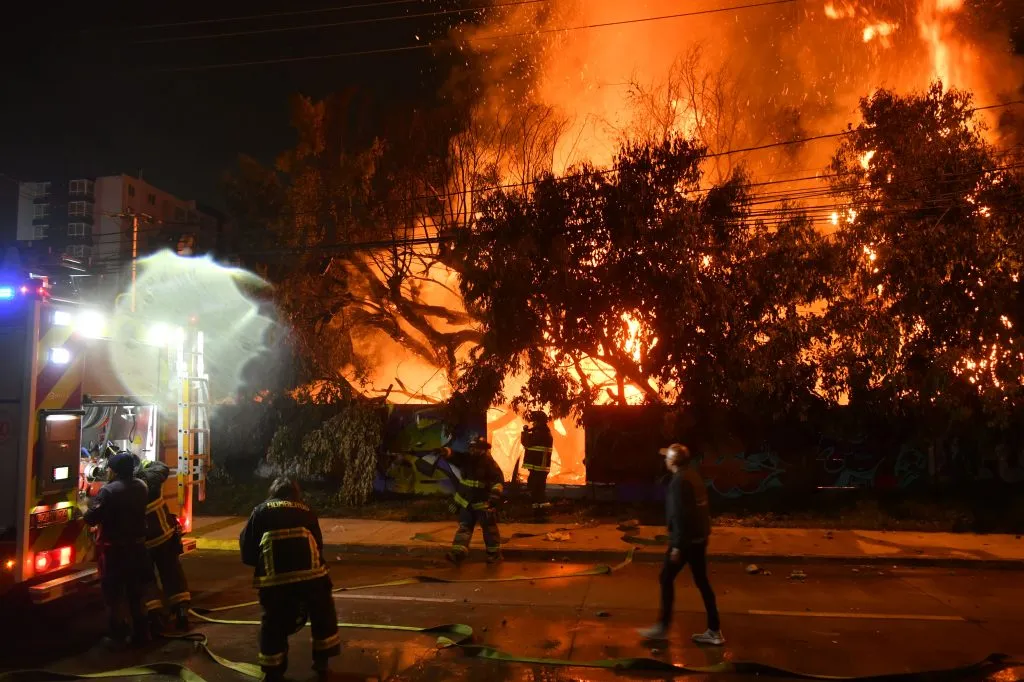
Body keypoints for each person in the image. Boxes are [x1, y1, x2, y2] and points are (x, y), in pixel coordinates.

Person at [239, 477, 341, 682]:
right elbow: (318, 545)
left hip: (275, 581)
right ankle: (322, 663)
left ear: (273, 493)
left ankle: (273, 671)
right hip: (312, 577)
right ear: (295, 494)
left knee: (273, 622)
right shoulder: (307, 511)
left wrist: (260, 565)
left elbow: (248, 549)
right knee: (323, 615)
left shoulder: (260, 511)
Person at [638, 443, 723, 645]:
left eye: (668, 457)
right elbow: (699, 510)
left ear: (674, 461)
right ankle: (714, 630)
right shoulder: (693, 476)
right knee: (702, 583)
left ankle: (662, 628)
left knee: (666, 578)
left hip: (685, 542)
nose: (665, 460)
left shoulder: (678, 482)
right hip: (699, 539)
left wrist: (677, 546)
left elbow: (681, 516)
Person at [83, 451, 153, 647]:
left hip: (116, 552)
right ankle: (142, 634)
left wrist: (87, 505)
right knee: (136, 594)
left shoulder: (109, 491)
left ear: (114, 471)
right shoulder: (142, 486)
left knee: (114, 595)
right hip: (138, 549)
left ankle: (117, 636)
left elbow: (91, 518)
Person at [135, 458, 191, 631]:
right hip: (165, 536)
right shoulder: (151, 479)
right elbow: (162, 467)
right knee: (172, 573)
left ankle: (155, 616)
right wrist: (146, 463)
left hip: (143, 543)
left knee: (146, 579)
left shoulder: (125, 487)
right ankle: (181, 611)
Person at [442, 436, 504, 565]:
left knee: (489, 529)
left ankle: (494, 555)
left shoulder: (489, 463)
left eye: (475, 448)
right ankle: (458, 554)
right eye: (471, 447)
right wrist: (446, 452)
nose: (472, 450)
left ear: (482, 449)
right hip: (467, 503)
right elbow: (456, 457)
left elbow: (498, 481)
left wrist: (495, 495)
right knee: (464, 528)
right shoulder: (467, 460)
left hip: (483, 503)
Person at [520, 411, 554, 520]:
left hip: (538, 466)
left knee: (537, 490)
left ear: (539, 421)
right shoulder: (543, 432)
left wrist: (525, 432)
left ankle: (541, 513)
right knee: (537, 490)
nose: (532, 423)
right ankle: (538, 513)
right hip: (538, 467)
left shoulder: (540, 433)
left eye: (534, 421)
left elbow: (527, 443)